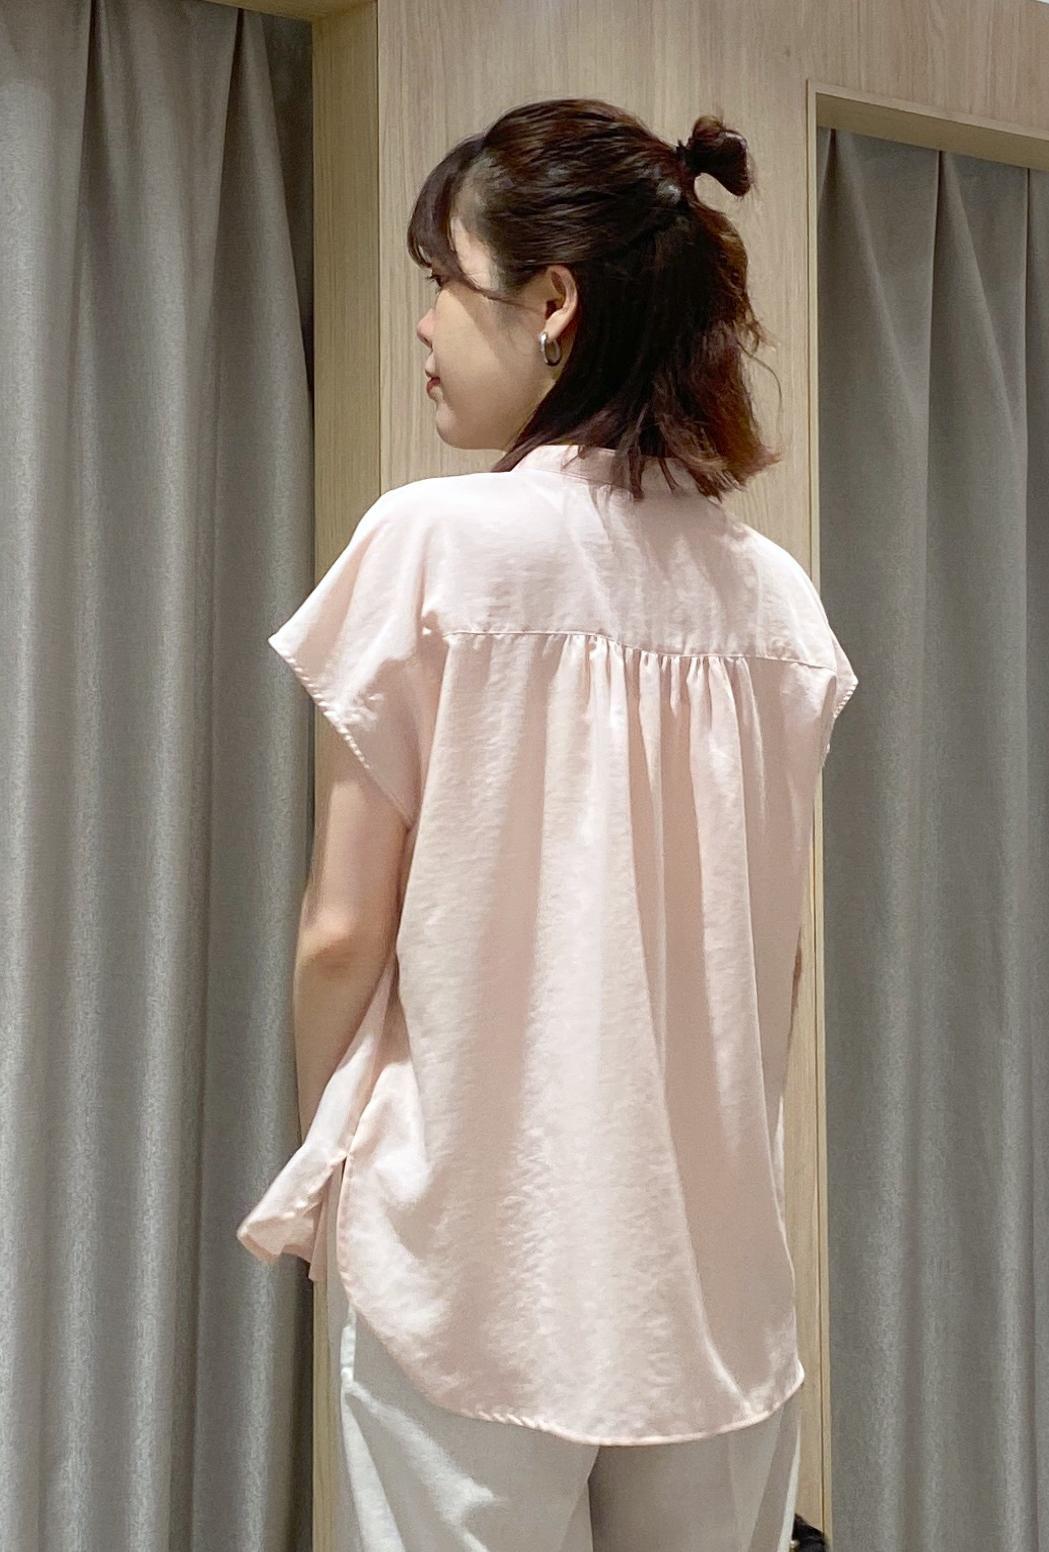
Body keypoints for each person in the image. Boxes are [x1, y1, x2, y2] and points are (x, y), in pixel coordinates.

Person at [238, 96, 858, 1552]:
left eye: (443, 283)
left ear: (554, 306)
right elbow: (771, 968)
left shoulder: (432, 548)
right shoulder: (775, 604)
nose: (424, 327)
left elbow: (341, 934)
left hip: (474, 1255)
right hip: (707, 1286)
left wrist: (337, 1151)